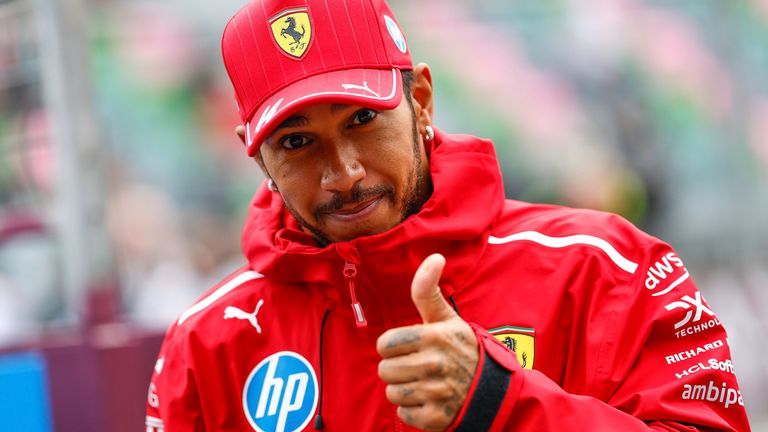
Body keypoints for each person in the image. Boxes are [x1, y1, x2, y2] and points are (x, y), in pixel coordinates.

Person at [145, 0, 752, 430]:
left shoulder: (605, 269)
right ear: (257, 158)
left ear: (421, 101)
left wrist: (499, 402)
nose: (344, 172)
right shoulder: (208, 341)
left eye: (362, 120)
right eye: (297, 143)